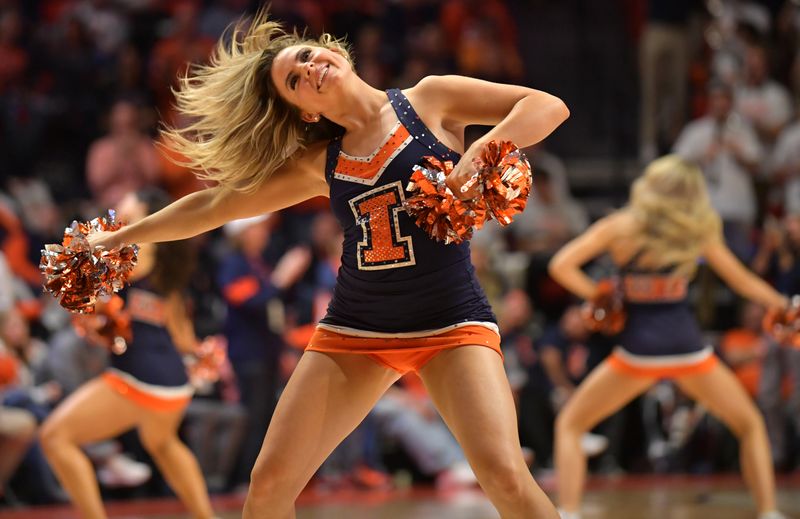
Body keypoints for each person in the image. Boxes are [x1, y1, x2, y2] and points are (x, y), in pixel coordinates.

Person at [88, 12, 569, 519]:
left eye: (306, 56)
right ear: (305, 111)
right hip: (356, 331)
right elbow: (213, 206)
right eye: (295, 81)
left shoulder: (431, 98)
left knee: (505, 477)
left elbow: (546, 106)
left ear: (331, 49)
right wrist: (123, 235)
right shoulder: (321, 163)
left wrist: (476, 154)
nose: (310, 69)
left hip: (450, 323)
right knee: (269, 483)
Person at [548, 155, 789, 519]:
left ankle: (568, 512)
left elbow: (560, 265)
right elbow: (741, 281)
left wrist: (597, 294)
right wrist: (785, 305)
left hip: (636, 353)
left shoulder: (621, 226)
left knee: (570, 424)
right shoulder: (695, 232)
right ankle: (769, 512)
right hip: (688, 351)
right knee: (750, 425)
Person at [40, 189, 215, 519]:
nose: (120, 205)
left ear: (146, 211)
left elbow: (96, 287)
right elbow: (181, 336)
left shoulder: (142, 246)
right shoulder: (165, 262)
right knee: (162, 444)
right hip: (173, 381)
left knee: (55, 437)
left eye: (130, 201)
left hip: (141, 378)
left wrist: (79, 269)